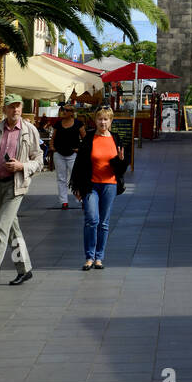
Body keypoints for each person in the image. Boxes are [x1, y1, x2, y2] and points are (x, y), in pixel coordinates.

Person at [0, 94, 43, 290]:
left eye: (18, 106)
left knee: (1, 228)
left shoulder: (29, 131)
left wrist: (22, 165)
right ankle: (24, 269)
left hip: (16, 186)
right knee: (13, 230)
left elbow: (39, 161)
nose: (15, 110)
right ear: (4, 109)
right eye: (11, 106)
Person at [69, 107, 126, 270]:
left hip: (110, 184)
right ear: (95, 121)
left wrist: (121, 161)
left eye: (106, 119)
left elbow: (121, 168)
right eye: (100, 119)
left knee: (104, 223)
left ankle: (99, 257)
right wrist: (77, 188)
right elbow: (79, 164)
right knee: (91, 219)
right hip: (90, 184)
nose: (103, 122)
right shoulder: (89, 138)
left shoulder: (116, 138)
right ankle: (89, 256)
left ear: (111, 121)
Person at [51, 104, 85, 208]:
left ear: (72, 113)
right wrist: (52, 147)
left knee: (76, 177)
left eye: (66, 110)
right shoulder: (58, 123)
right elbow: (53, 137)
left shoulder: (78, 123)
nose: (64, 111)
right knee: (61, 178)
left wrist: (79, 149)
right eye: (63, 110)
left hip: (73, 154)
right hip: (59, 154)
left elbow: (85, 139)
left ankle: (82, 198)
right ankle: (64, 201)